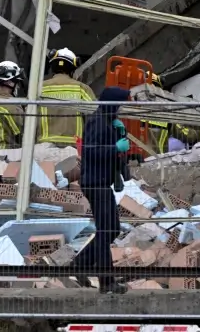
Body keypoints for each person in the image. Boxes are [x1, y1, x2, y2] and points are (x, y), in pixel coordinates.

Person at [74, 86, 132, 294]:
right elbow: (91, 151)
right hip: (94, 182)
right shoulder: (97, 121)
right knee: (106, 230)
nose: (121, 109)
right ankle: (106, 282)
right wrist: (115, 148)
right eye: (120, 105)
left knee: (112, 229)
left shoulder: (106, 120)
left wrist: (117, 133)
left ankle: (79, 265)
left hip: (101, 181)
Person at [37, 48, 96, 146]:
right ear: (72, 69)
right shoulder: (81, 88)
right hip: (74, 146)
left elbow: (28, 115)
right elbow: (95, 114)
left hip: (45, 144)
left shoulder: (39, 88)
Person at [140, 71, 200, 154]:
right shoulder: (164, 112)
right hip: (156, 160)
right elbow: (185, 133)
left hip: (132, 161)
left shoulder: (128, 107)